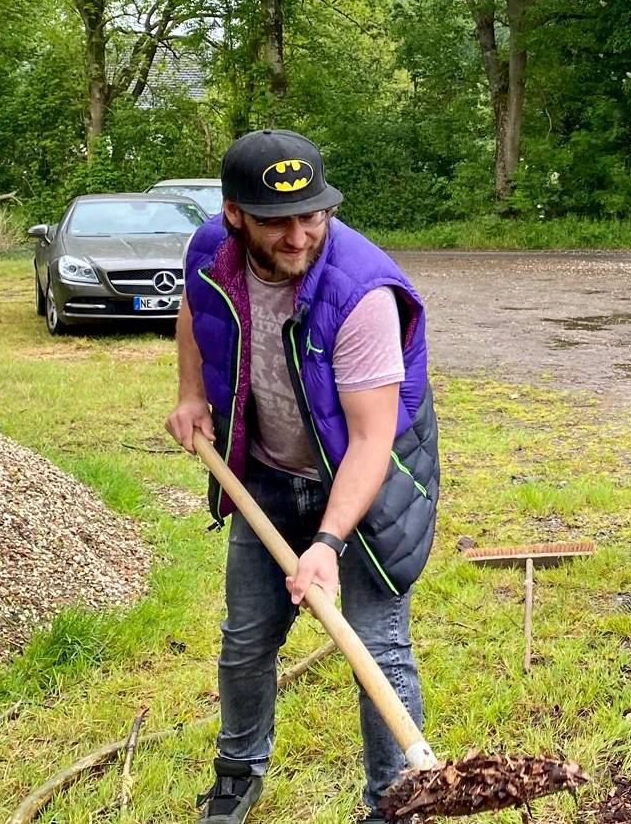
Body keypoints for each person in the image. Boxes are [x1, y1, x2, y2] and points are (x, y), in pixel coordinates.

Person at [165, 129, 440, 824]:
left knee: (377, 646)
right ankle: (237, 773)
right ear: (235, 215)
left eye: (311, 214)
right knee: (248, 638)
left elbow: (374, 440)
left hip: (366, 485)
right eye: (276, 219)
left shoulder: (361, 291)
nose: (297, 235)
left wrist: (328, 542)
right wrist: (191, 394)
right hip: (264, 473)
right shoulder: (211, 253)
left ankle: (394, 801)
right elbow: (195, 314)